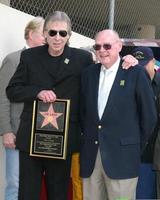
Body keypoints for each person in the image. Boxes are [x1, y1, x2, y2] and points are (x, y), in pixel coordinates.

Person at [5, 11, 138, 200]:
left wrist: (129, 59)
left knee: (59, 192)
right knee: (28, 192)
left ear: (69, 34)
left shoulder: (82, 59)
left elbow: (107, 65)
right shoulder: (29, 57)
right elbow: (13, 90)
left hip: (64, 139)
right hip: (33, 139)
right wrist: (37, 92)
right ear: (44, 33)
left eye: (62, 33)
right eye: (52, 33)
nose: (57, 38)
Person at [80, 29, 157, 200]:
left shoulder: (135, 73)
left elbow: (149, 116)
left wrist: (133, 145)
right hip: (92, 157)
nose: (102, 50)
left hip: (124, 159)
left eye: (107, 45)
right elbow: (82, 114)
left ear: (119, 47)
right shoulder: (88, 75)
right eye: (97, 46)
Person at [0, 16, 45, 200]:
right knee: (15, 183)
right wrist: (7, 131)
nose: (47, 37)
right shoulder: (13, 59)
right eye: (43, 33)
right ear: (31, 34)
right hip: (17, 133)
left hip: (41, 133)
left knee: (33, 183)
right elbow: (3, 97)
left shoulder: (47, 60)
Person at [132, 47, 160, 199]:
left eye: (144, 65)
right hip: (134, 155)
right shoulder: (129, 83)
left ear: (153, 62)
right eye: (138, 66)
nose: (141, 70)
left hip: (153, 156)